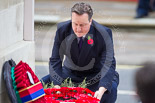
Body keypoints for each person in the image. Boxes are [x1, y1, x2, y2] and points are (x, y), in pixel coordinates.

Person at [42, 2, 119, 103]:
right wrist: (57, 86)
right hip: (69, 73)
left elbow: (108, 63)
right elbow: (55, 59)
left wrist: (101, 90)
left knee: (109, 91)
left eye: (82, 25)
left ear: (90, 21)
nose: (78, 29)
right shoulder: (62, 30)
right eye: (75, 24)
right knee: (40, 87)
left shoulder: (104, 33)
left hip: (95, 75)